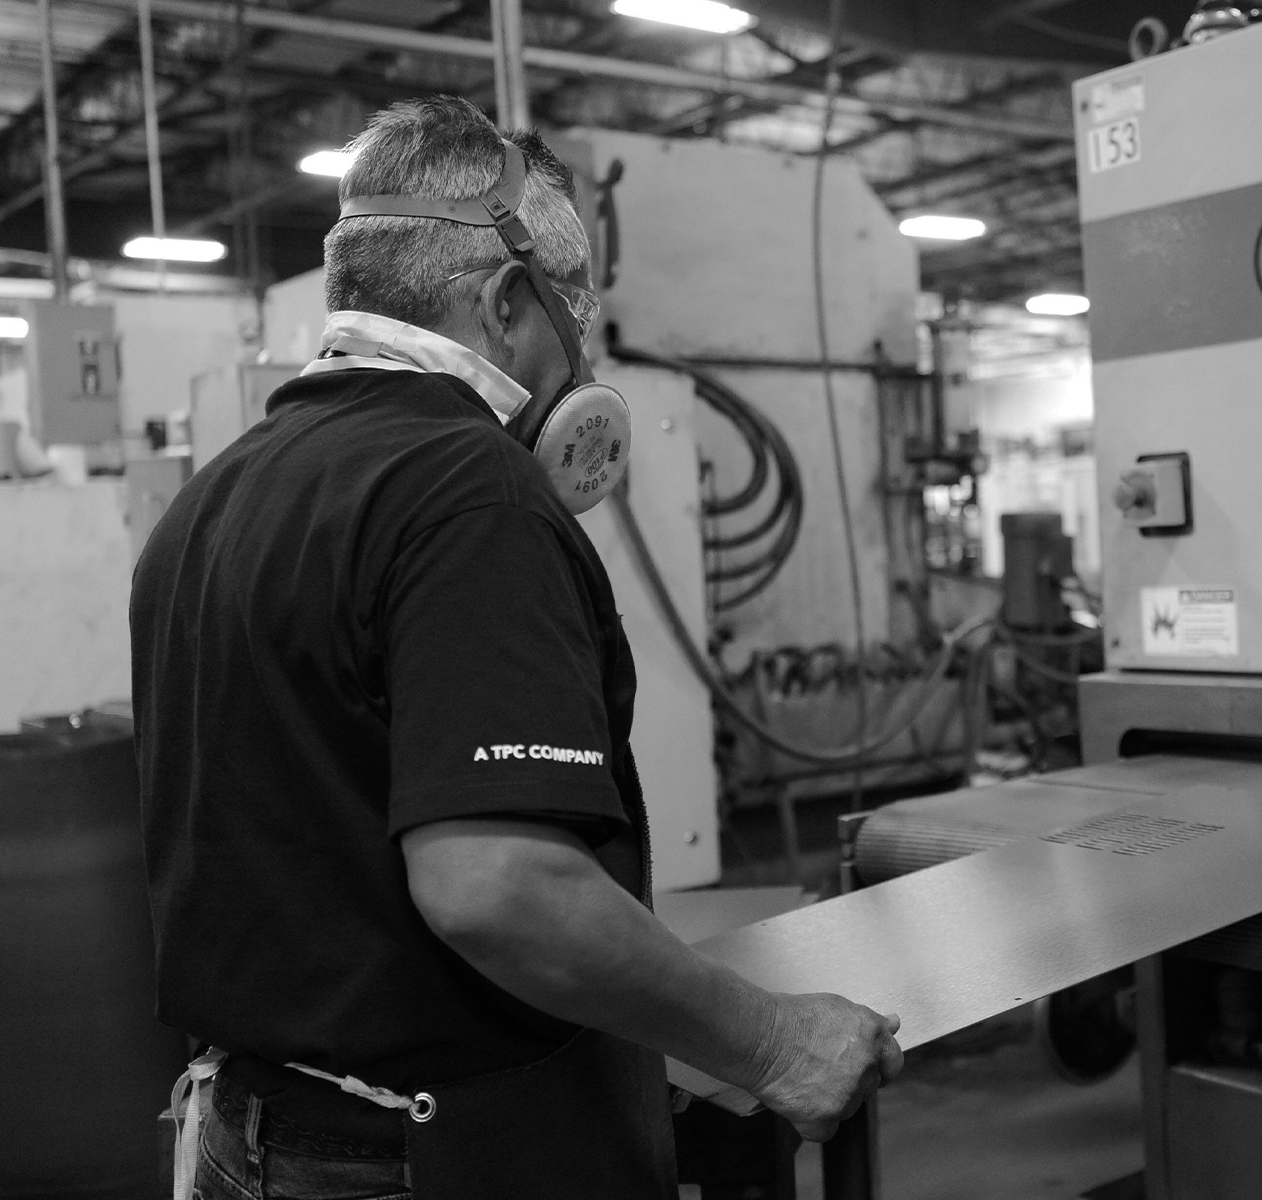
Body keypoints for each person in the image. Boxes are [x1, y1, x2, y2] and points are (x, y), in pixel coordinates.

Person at [131, 95, 902, 1200]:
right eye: (570, 317)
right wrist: (769, 1041)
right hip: (424, 1158)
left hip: (251, 1138)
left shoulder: (212, 502)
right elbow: (498, 885)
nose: (577, 360)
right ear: (503, 300)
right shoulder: (467, 489)